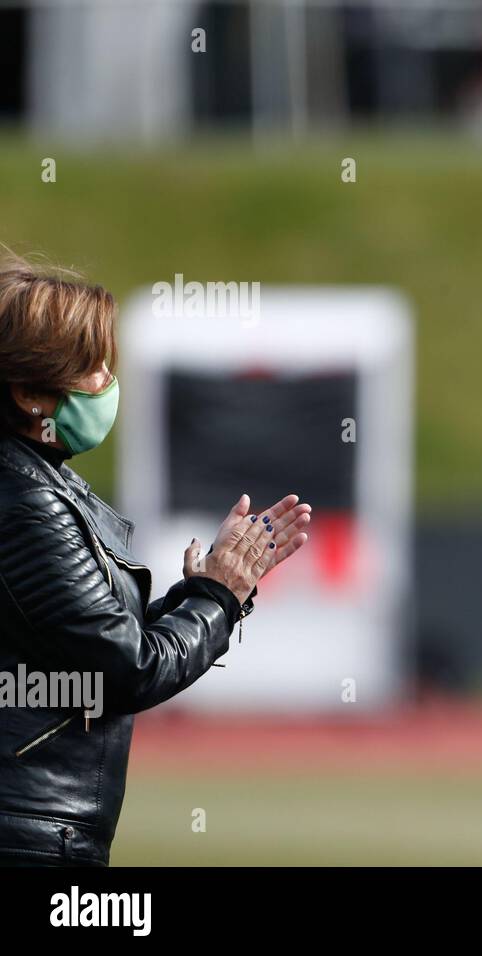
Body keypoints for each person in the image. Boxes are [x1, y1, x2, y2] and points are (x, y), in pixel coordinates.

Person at [0, 255, 312, 865]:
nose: (106, 380)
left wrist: (197, 595)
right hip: (30, 833)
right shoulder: (26, 501)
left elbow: (78, 638)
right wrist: (219, 596)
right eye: (89, 366)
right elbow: (126, 669)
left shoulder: (34, 483)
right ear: (28, 393)